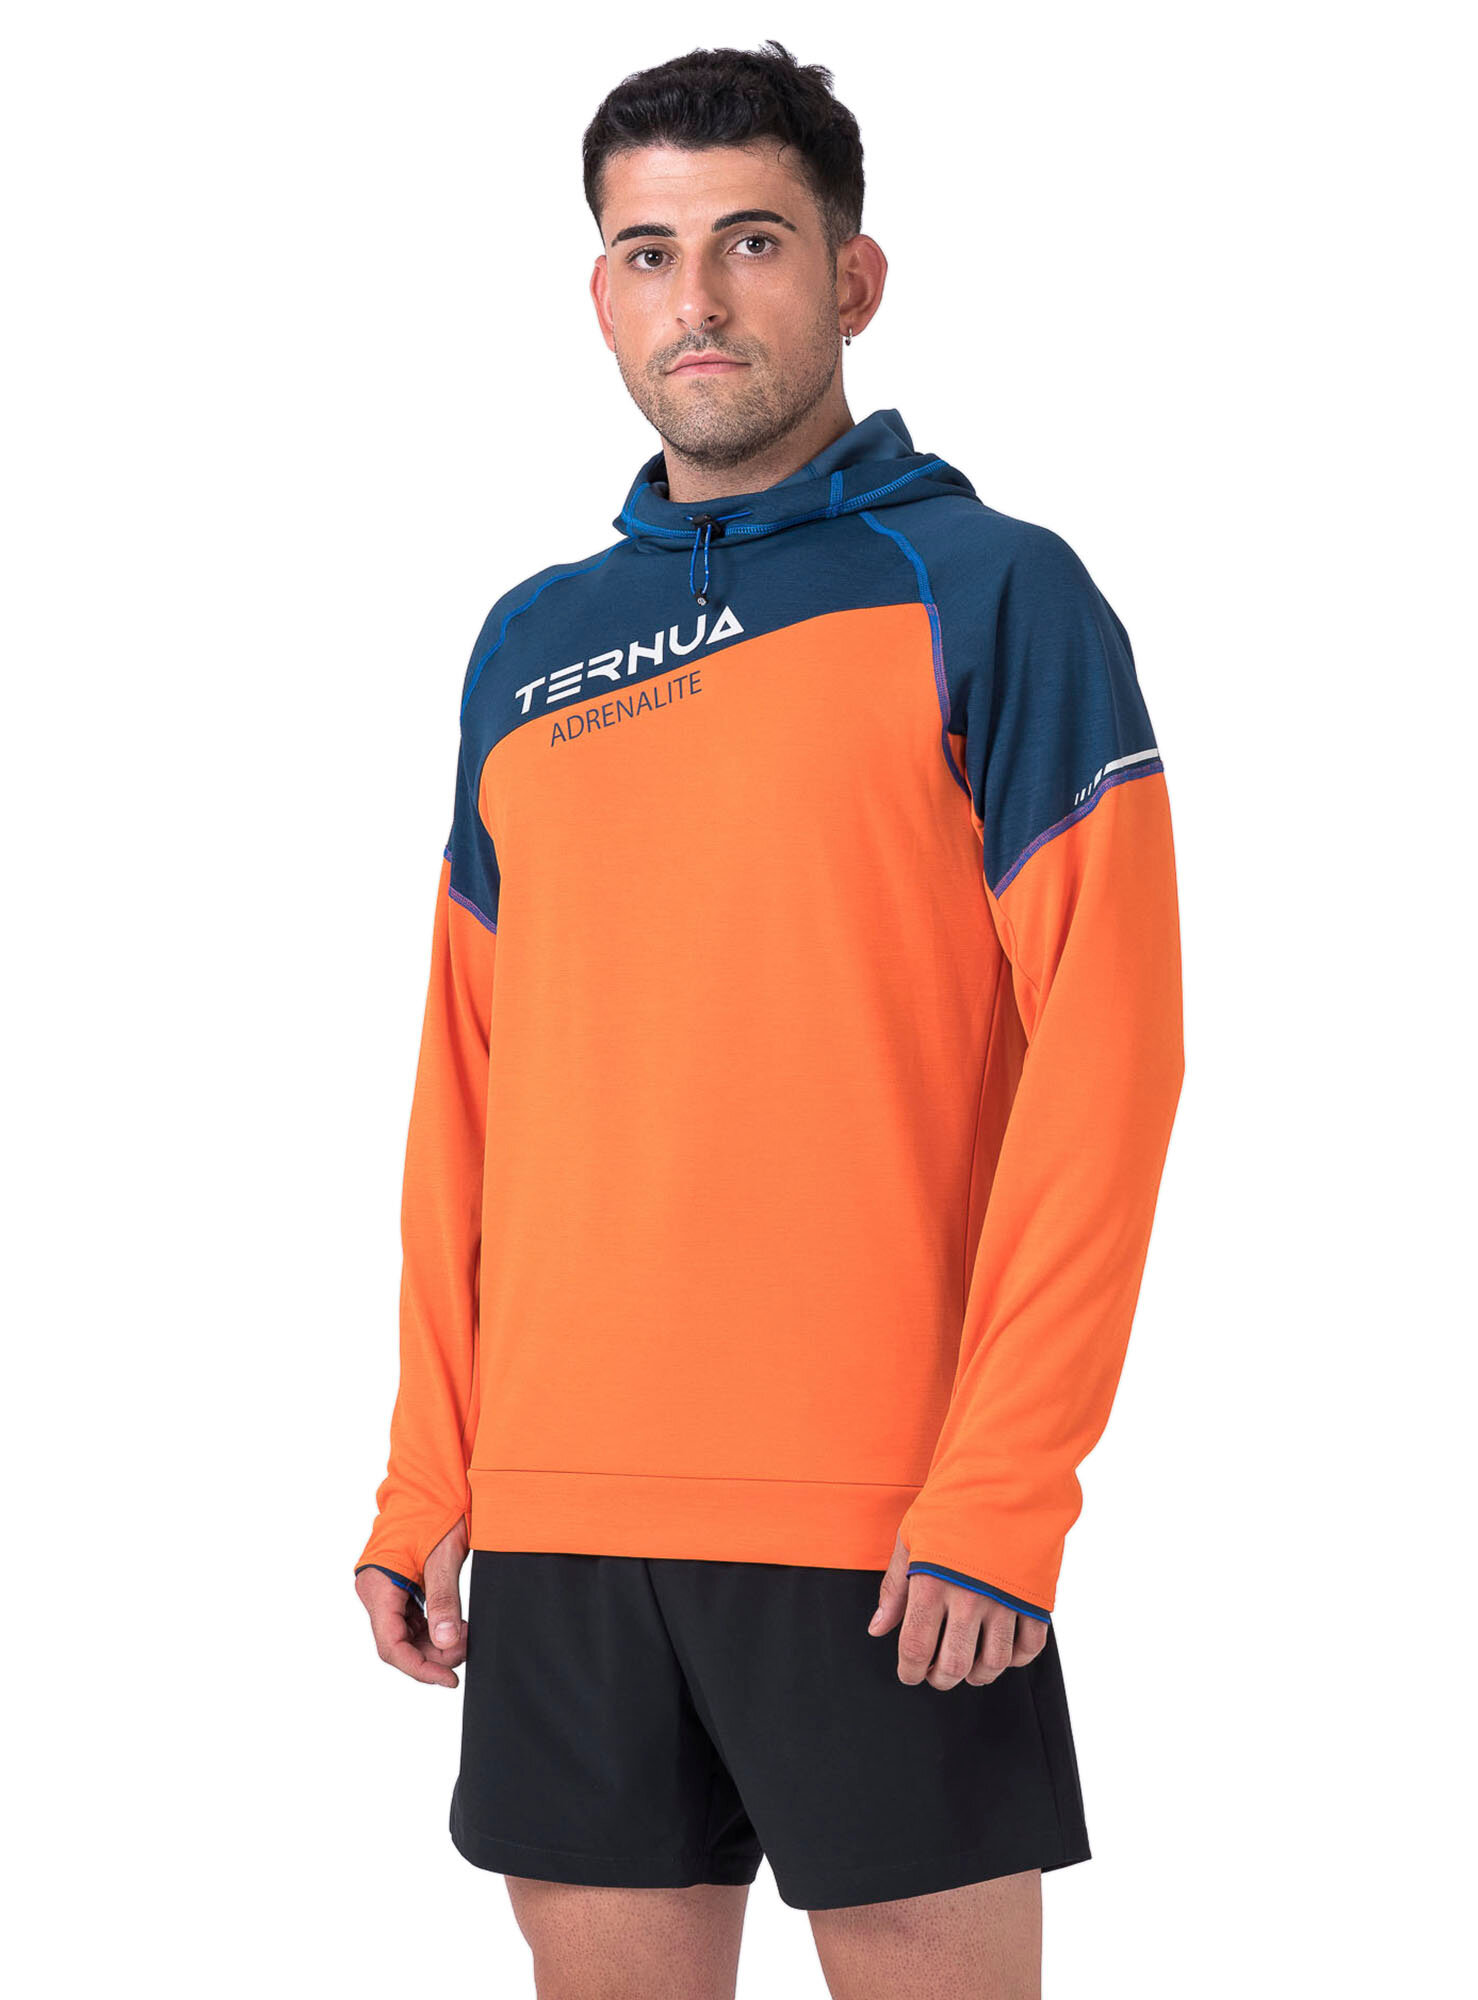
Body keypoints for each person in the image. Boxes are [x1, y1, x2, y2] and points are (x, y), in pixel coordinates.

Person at [354, 38, 1184, 1999]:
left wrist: (1003, 1492)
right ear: (601, 294)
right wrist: (427, 1475)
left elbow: (1112, 1056)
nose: (699, 300)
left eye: (752, 241)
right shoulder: (527, 645)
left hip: (884, 1526)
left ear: (853, 277)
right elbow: (468, 1083)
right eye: (650, 253)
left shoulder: (989, 591)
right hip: (561, 1520)